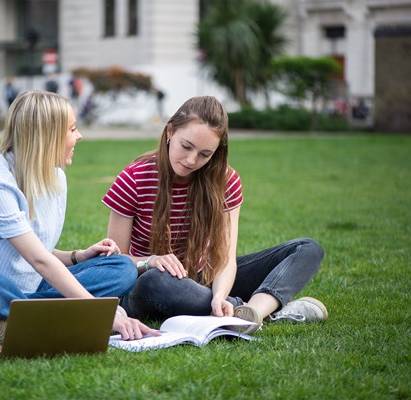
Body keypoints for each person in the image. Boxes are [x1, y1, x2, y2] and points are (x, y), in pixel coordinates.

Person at [0, 90, 156, 342]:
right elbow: (38, 258)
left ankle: (8, 318)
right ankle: (52, 315)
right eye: (72, 129)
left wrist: (77, 257)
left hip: (27, 285)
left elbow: (34, 250)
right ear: (48, 136)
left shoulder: (56, 177)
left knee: (120, 268)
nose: (80, 136)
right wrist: (101, 313)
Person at [102, 96, 327, 334]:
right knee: (156, 280)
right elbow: (116, 262)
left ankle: (252, 313)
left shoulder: (226, 181)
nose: (191, 160)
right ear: (170, 132)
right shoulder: (134, 178)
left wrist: (219, 294)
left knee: (307, 249)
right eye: (186, 146)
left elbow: (225, 257)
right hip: (151, 284)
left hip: (207, 277)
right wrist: (152, 260)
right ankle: (254, 310)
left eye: (204, 154)